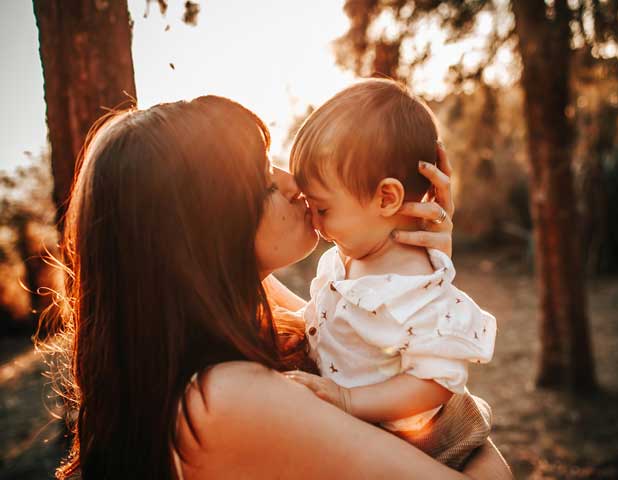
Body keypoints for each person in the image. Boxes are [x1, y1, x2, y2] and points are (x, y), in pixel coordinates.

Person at [43, 94, 512, 479]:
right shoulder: (223, 398)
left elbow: (371, 346)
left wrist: (414, 268)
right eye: (262, 181)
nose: (293, 184)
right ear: (203, 229)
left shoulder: (247, 311)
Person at [285, 79, 497, 469]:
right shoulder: (348, 255)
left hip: (427, 445)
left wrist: (349, 401)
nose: (313, 222)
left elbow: (436, 381)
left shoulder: (414, 288)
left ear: (386, 197)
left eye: (323, 209)